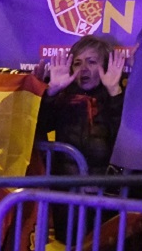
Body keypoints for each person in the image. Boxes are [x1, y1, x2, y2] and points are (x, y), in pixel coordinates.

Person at [37, 35, 127, 175]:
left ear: (105, 66)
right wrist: (51, 92)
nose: (84, 68)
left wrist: (115, 92)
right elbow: (38, 127)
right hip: (62, 188)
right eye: (77, 63)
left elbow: (126, 140)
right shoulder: (64, 97)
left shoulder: (115, 97)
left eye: (91, 62)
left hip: (104, 190)